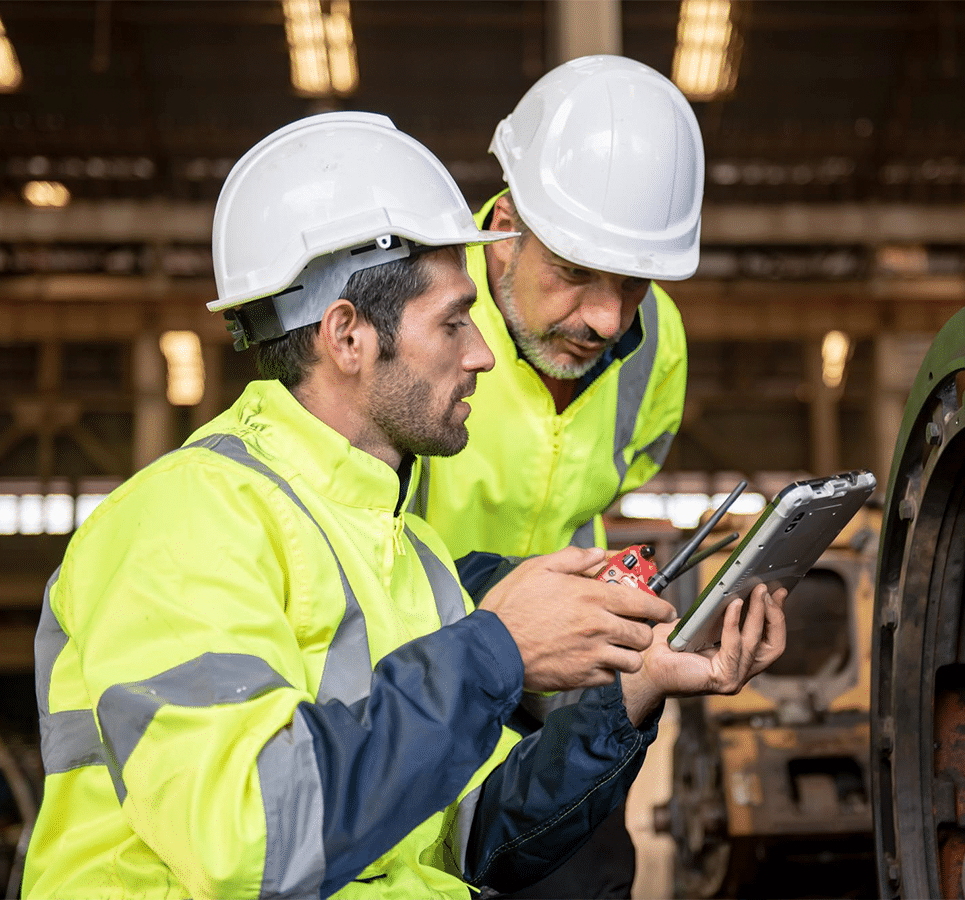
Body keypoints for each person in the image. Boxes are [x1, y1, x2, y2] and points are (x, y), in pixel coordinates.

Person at [23, 111, 786, 900]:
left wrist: (638, 690)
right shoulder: (186, 519)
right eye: (453, 322)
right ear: (348, 337)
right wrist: (496, 650)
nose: (483, 353)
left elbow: (471, 837)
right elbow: (256, 839)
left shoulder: (412, 557)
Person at [411, 55, 703, 898]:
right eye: (574, 272)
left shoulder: (659, 344)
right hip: (424, 666)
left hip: (570, 680)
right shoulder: (415, 322)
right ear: (505, 228)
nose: (607, 318)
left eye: (634, 282)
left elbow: (620, 476)